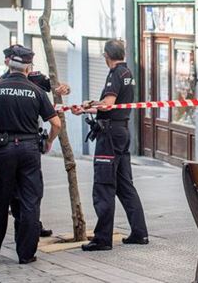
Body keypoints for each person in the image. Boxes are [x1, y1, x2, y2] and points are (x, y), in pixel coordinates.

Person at [0, 45, 61, 264]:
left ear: (8, 64)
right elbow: (56, 123)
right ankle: (26, 254)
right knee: (30, 201)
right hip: (30, 150)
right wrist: (49, 141)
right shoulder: (37, 91)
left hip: (3, 151)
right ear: (28, 66)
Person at [72, 39, 148, 251]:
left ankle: (102, 239)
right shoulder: (128, 74)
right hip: (122, 131)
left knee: (104, 186)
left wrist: (86, 108)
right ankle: (139, 233)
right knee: (125, 185)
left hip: (110, 134)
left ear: (107, 55)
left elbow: (107, 105)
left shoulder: (115, 74)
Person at [0, 46, 70, 237]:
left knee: (25, 193)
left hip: (21, 143)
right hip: (14, 145)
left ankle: (30, 229)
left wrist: (64, 88)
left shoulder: (34, 79)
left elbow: (56, 86)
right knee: (17, 194)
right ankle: (27, 239)